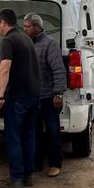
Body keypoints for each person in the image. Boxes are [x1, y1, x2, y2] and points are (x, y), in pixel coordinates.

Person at [0, 8, 40, 188]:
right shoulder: (26, 38)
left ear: (3, 22)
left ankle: (16, 179)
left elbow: (4, 69)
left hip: (17, 97)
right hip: (33, 95)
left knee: (13, 138)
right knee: (28, 136)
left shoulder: (8, 41)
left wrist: (0, 96)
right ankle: (28, 176)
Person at [23, 13, 66, 177]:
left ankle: (55, 163)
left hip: (49, 97)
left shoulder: (50, 44)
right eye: (24, 26)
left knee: (53, 131)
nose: (25, 29)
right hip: (32, 97)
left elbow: (59, 70)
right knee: (34, 131)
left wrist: (58, 94)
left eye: (27, 26)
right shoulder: (27, 43)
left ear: (37, 27)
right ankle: (36, 164)